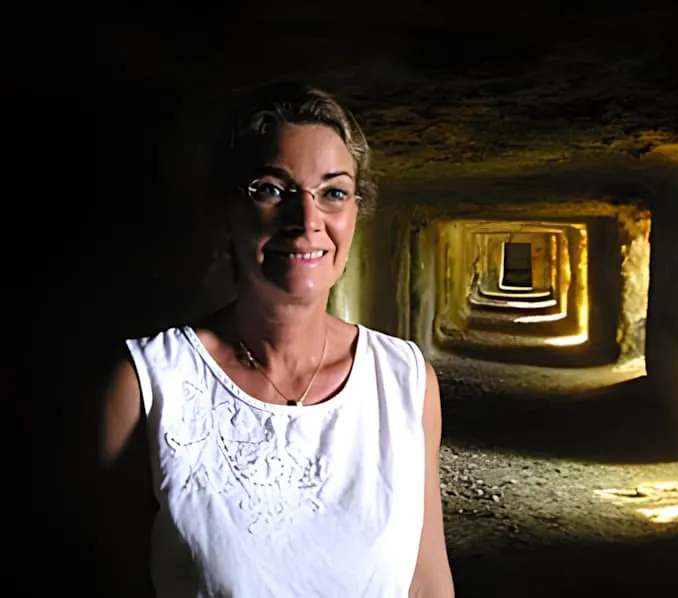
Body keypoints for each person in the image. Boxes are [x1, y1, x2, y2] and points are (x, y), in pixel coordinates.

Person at [97, 81, 455, 597]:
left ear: (356, 210)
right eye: (270, 189)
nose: (306, 220)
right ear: (227, 210)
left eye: (333, 192)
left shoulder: (405, 381)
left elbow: (426, 583)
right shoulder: (147, 386)